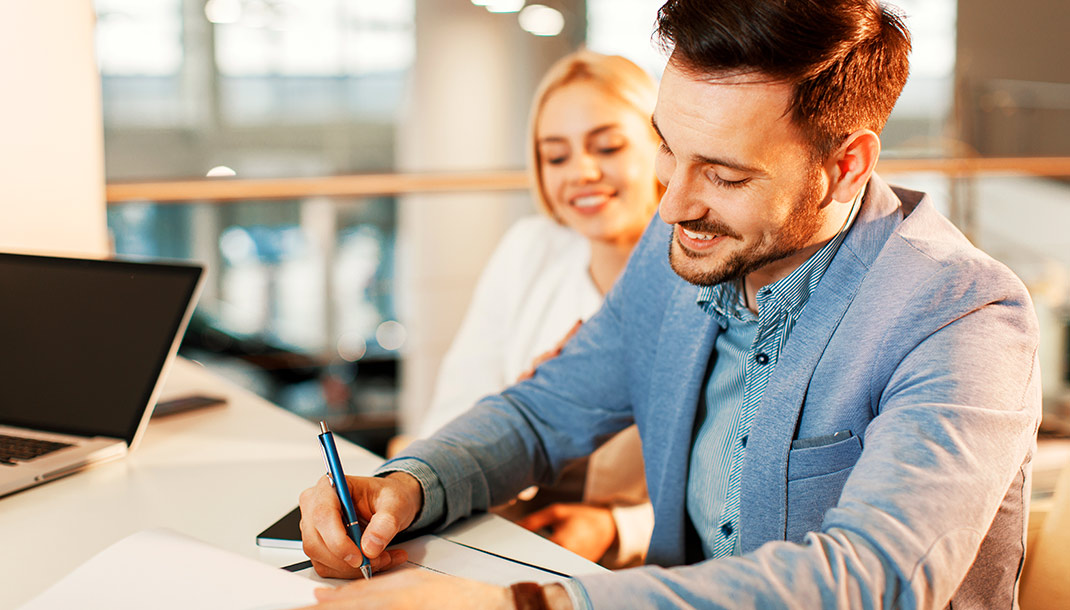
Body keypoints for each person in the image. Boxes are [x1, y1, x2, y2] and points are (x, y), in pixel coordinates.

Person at [297, 1, 1042, 608]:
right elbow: (543, 412)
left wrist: (531, 606)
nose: (671, 205)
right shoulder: (682, 257)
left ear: (844, 167)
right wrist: (408, 484)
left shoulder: (962, 316)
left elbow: (874, 578)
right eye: (666, 149)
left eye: (722, 175)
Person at [407, 50, 661, 567]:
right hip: (505, 533)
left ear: (663, 147)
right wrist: (523, 407)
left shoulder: (705, 274)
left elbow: (730, 488)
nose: (582, 173)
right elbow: (452, 415)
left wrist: (617, 528)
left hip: (639, 566)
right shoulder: (530, 249)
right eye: (556, 156)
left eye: (607, 146)